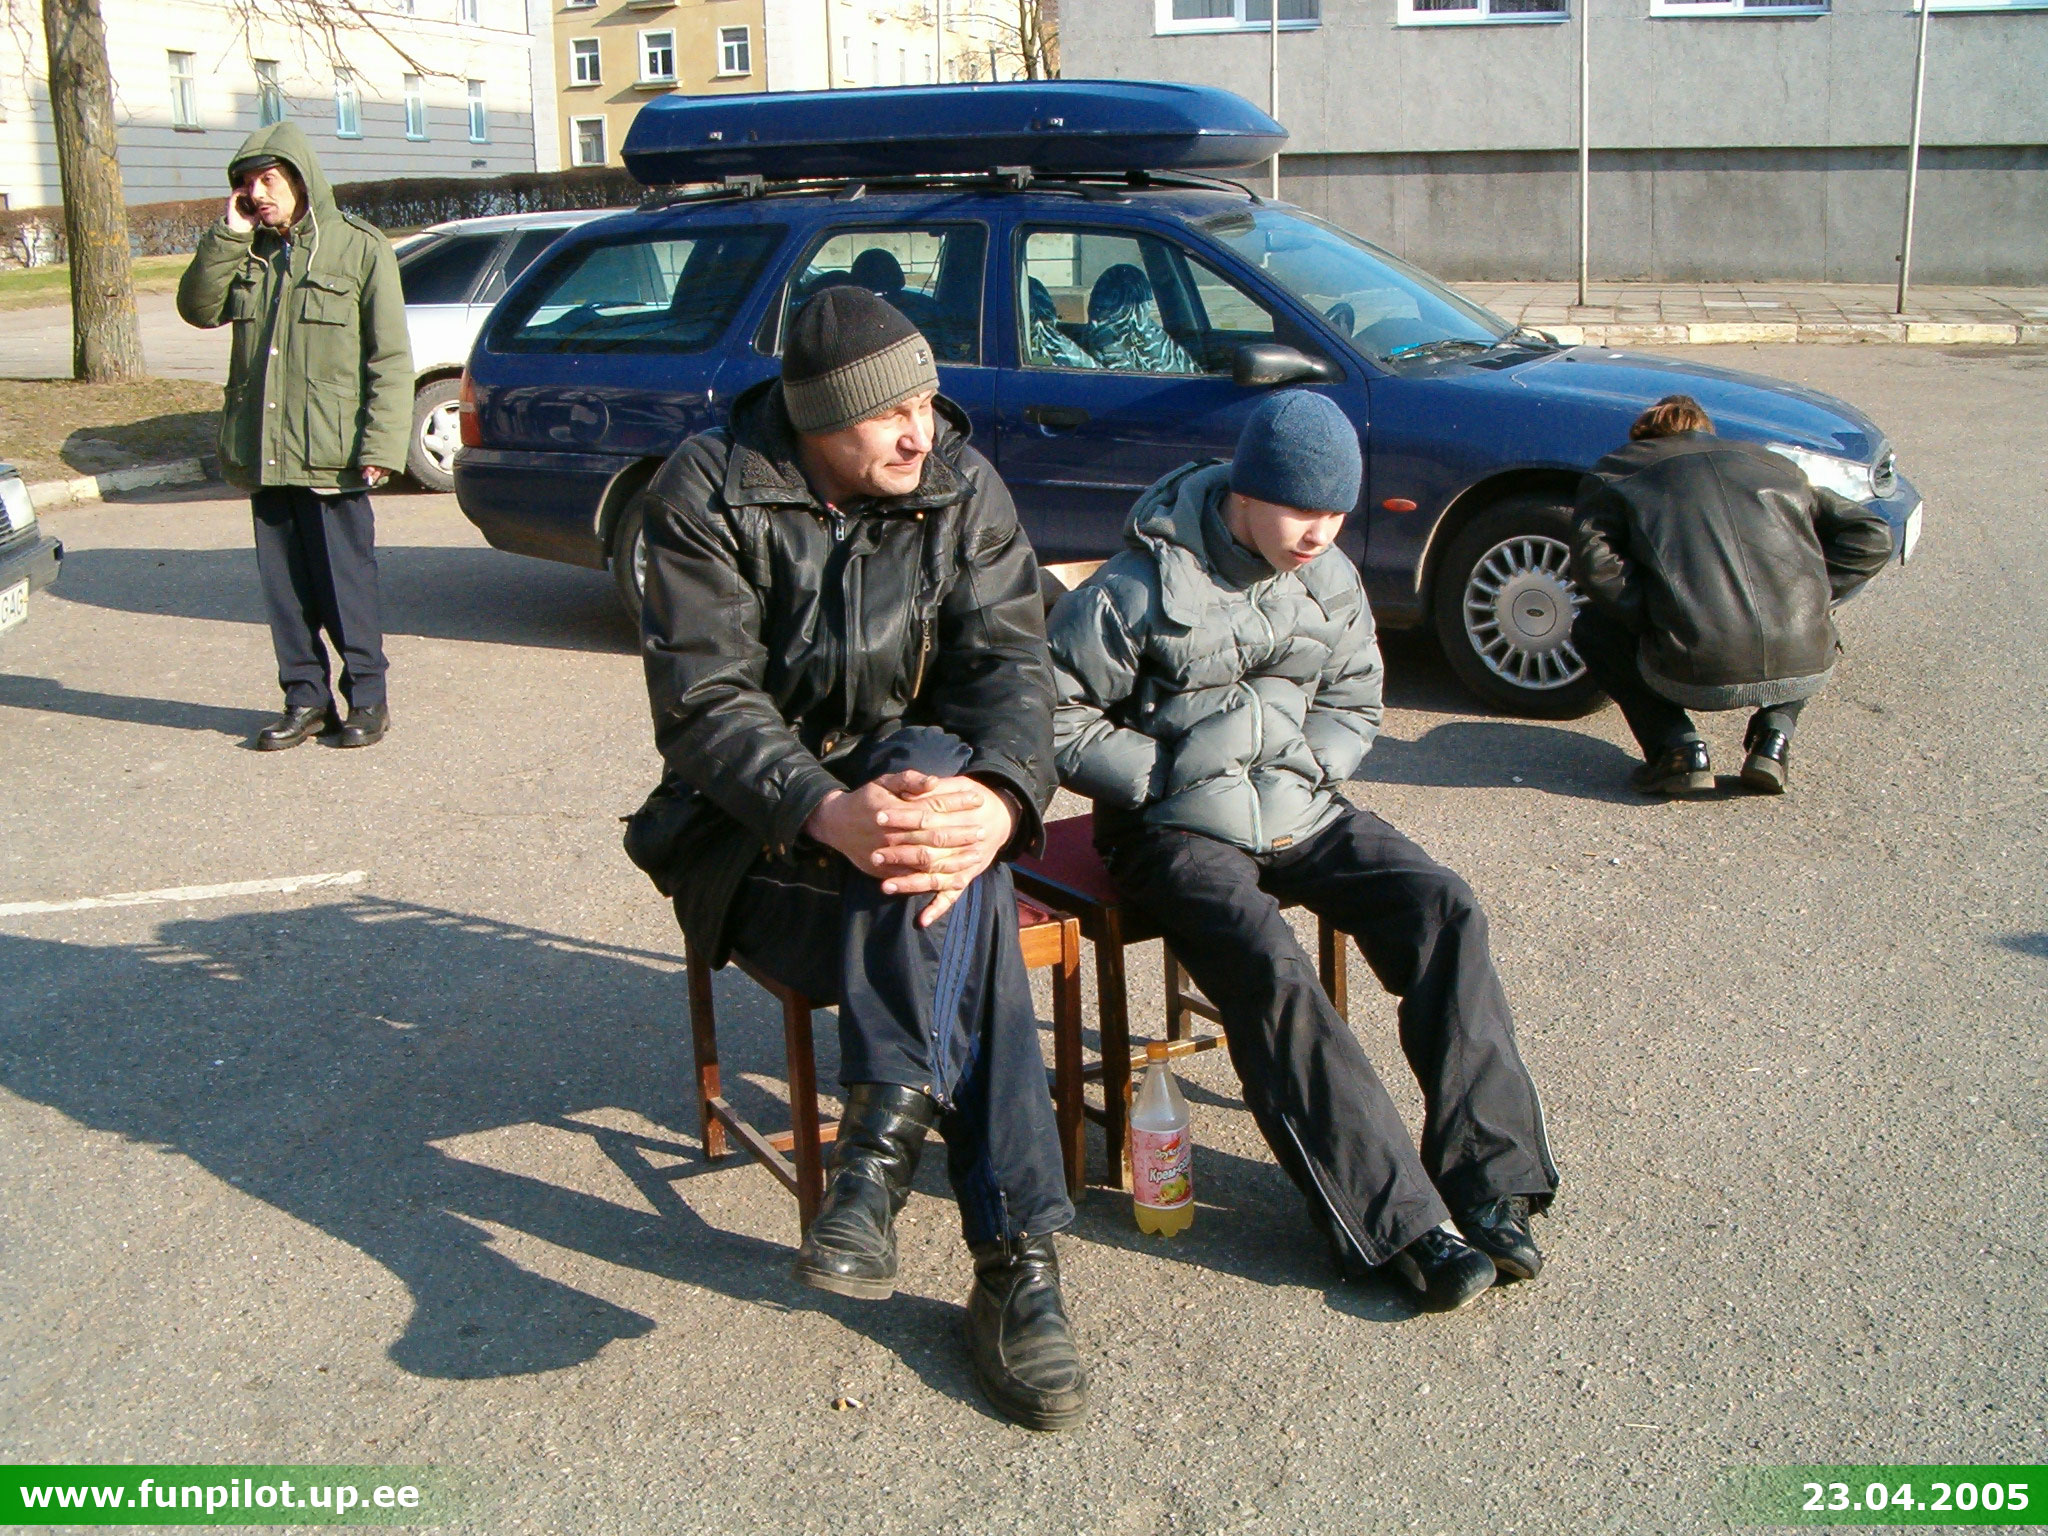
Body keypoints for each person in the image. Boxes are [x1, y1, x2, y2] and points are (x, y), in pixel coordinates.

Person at [625, 287, 1086, 1430]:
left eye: (926, 402)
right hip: (755, 841)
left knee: (938, 806)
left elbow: (1015, 673)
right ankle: (1015, 1265)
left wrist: (999, 798)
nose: (921, 433)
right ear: (816, 423)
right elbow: (705, 707)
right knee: (960, 896)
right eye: (890, 414)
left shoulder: (960, 486)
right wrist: (825, 810)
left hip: (913, 834)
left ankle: (876, 1159)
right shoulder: (706, 491)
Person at [1045, 390, 1559, 1313]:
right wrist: (1164, 777)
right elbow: (1053, 712)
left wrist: (1309, 769)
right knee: (1271, 965)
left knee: (1442, 906)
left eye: (1336, 513)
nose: (1320, 532)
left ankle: (1491, 1179)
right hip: (1172, 826)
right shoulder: (1135, 587)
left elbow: (1357, 694)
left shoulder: (1330, 577)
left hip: (1300, 804)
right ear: (1245, 492)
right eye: (1300, 511)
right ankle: (1400, 1223)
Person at [176, 121, 411, 751]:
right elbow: (198, 308)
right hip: (266, 449)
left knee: (345, 587)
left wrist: (381, 446)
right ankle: (306, 699)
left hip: (333, 453)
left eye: (269, 179)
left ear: (301, 181)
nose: (258, 192)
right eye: (247, 183)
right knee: (285, 593)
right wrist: (230, 234)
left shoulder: (358, 247)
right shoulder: (246, 251)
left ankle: (368, 700)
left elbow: (389, 357)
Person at [1570, 395, 1895, 795]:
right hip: (1802, 663)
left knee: (1593, 628)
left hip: (1694, 665)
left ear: (1642, 437)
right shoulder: (1772, 464)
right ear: (1707, 431)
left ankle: (1677, 750)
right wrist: (1812, 590)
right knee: (1803, 615)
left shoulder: (1617, 472)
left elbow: (1596, 567)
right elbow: (1873, 534)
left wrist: (1653, 615)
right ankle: (1774, 740)